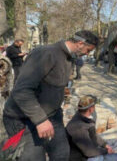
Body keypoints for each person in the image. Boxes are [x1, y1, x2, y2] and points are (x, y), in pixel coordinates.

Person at [2, 30, 98, 161]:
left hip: (52, 115)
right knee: (33, 157)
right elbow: (22, 91)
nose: (87, 54)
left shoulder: (69, 58)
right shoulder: (46, 53)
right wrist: (40, 120)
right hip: (22, 118)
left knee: (62, 153)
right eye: (88, 50)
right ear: (80, 43)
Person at [66, 95, 117, 161]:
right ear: (91, 109)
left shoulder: (82, 117)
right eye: (94, 106)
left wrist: (105, 145)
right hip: (83, 157)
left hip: (91, 147)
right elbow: (89, 152)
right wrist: (106, 151)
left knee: (116, 142)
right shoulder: (79, 127)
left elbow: (93, 135)